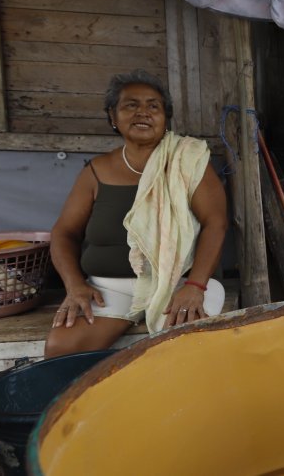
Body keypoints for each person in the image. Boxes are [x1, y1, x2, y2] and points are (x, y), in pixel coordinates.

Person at [45, 70, 228, 358]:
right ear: (112, 117)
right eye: (130, 105)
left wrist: (195, 286)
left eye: (153, 106)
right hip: (109, 290)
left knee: (186, 352)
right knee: (62, 348)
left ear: (165, 118)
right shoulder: (96, 171)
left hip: (180, 284)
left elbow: (215, 224)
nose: (143, 112)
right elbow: (63, 233)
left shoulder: (188, 161)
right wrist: (75, 286)